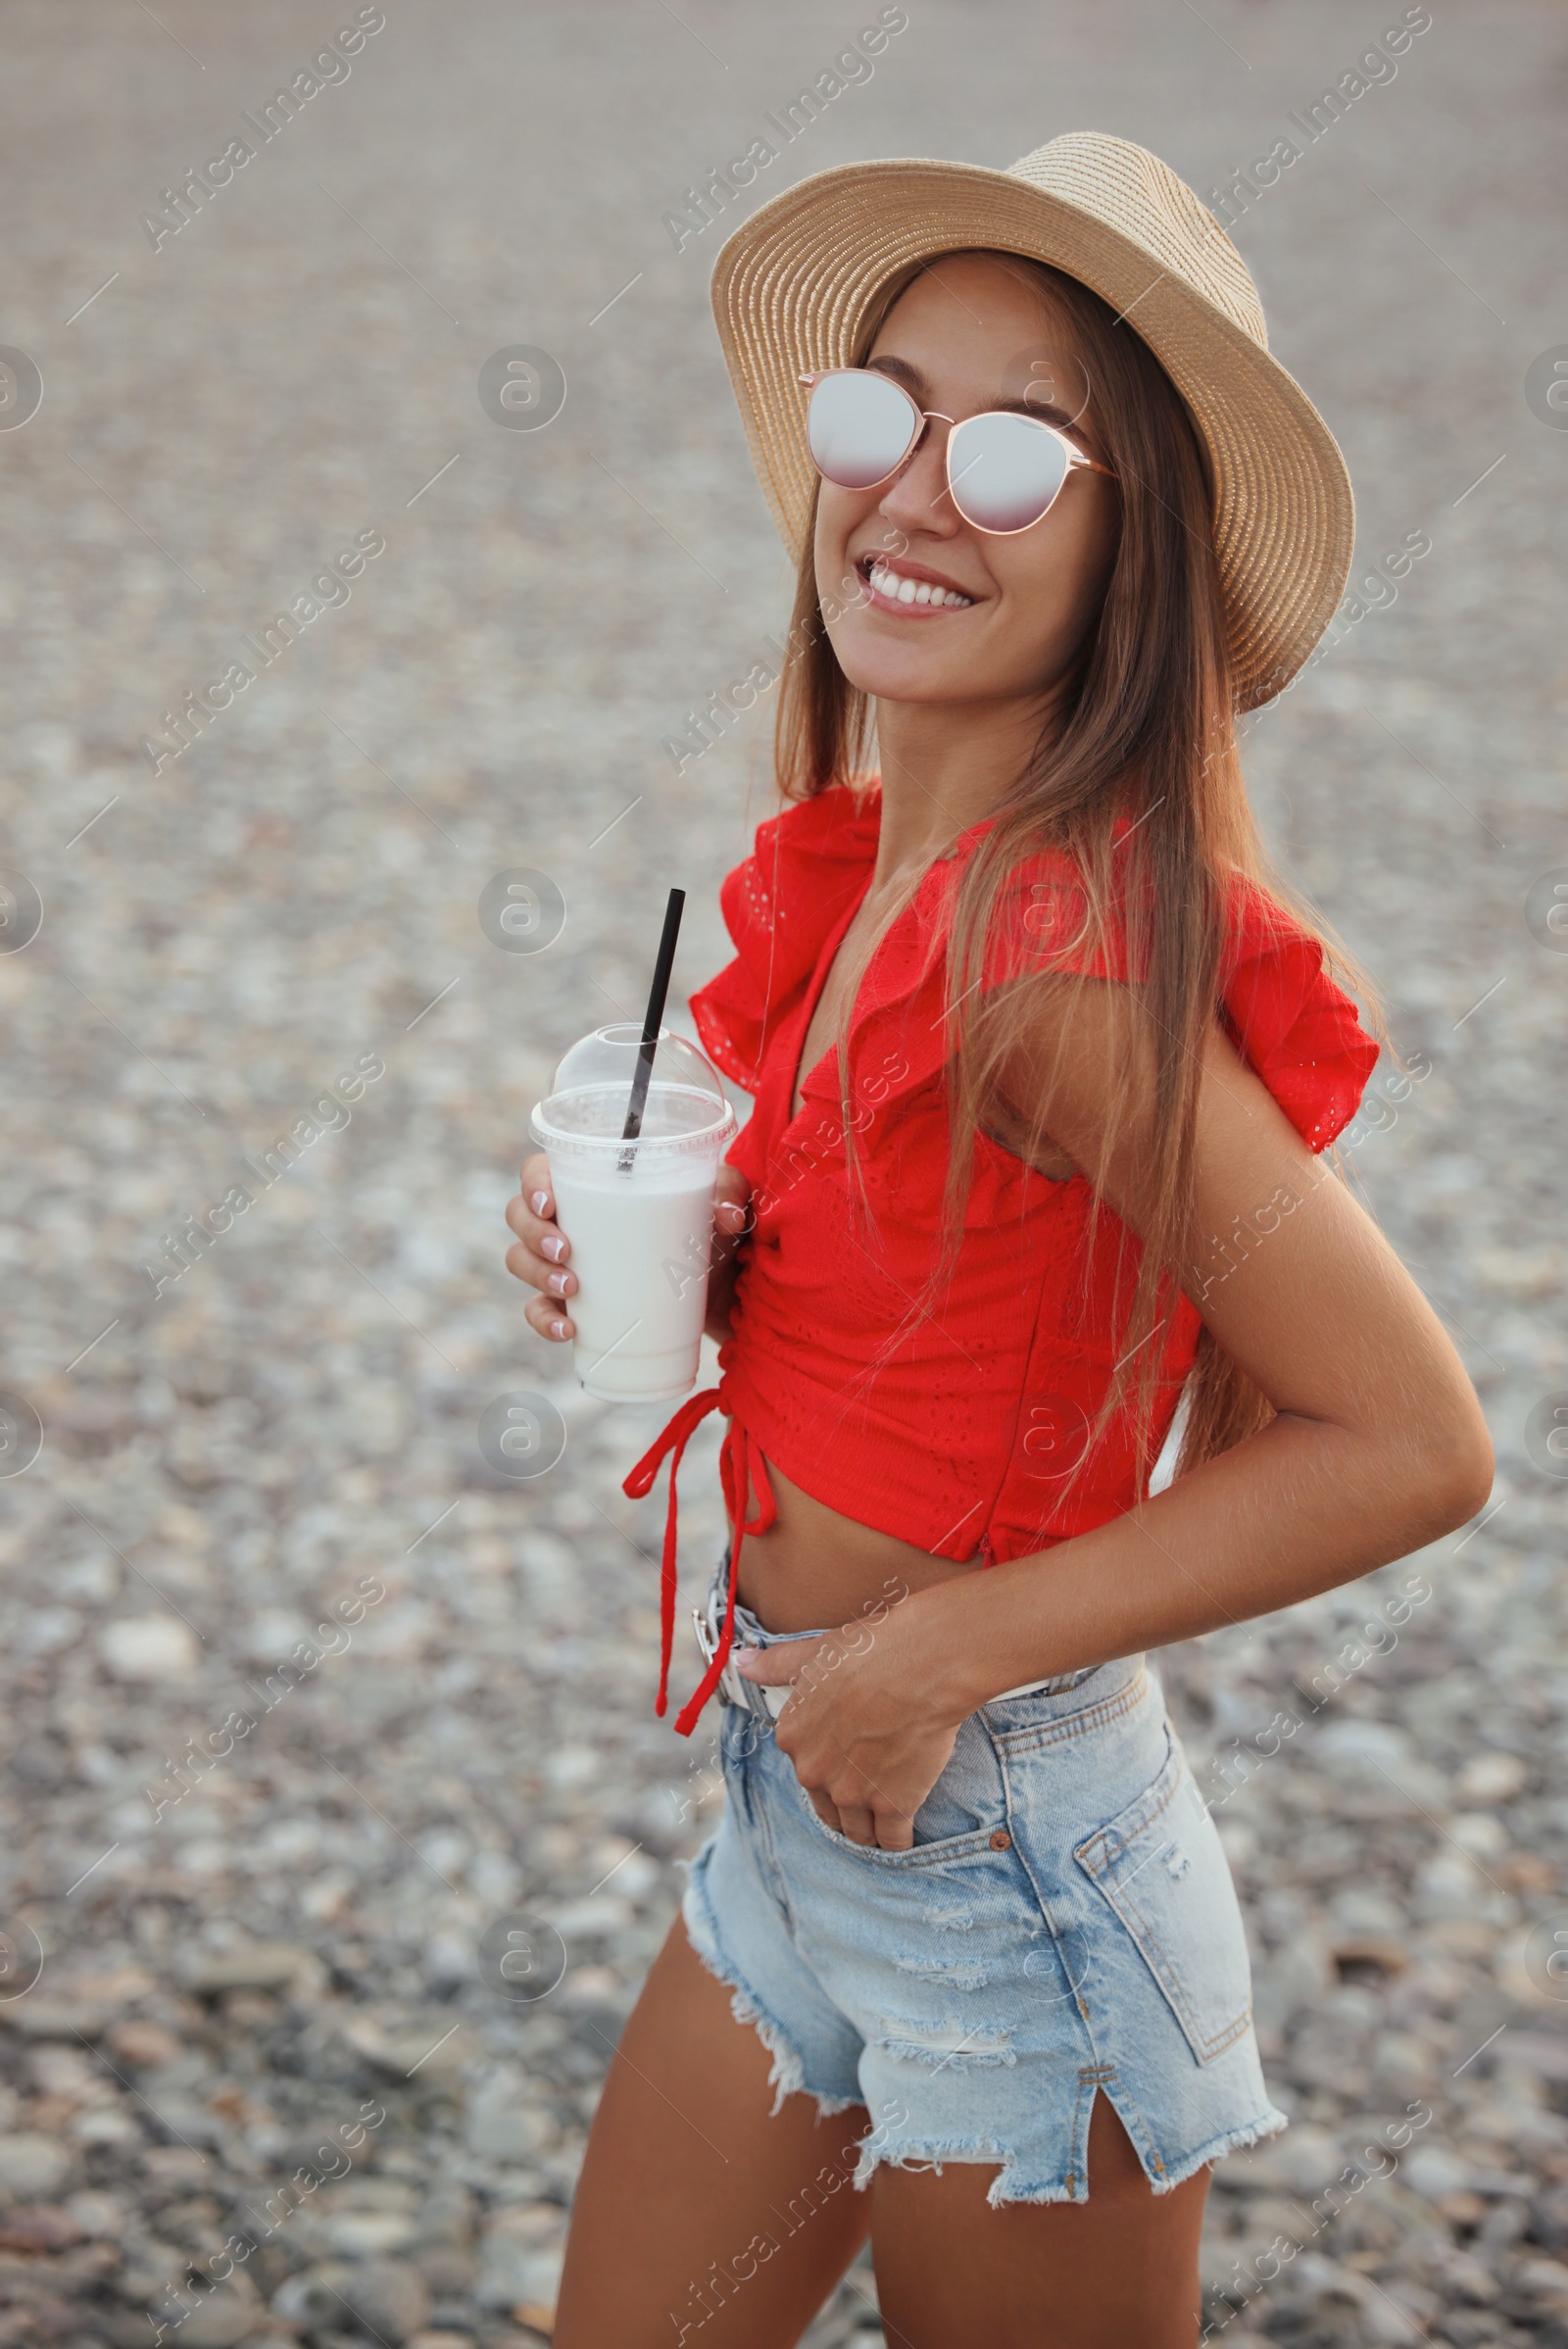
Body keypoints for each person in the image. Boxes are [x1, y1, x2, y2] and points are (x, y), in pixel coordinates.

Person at [504, 131, 1493, 2349]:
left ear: (1135, 553)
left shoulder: (1051, 967)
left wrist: (937, 1658)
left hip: (1008, 1861)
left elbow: (1412, 1440)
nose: (919, 487)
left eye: (1023, 444)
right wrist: (656, 1252)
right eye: (885, 409)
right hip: (796, 1802)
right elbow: (899, 1290)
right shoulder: (863, 893)